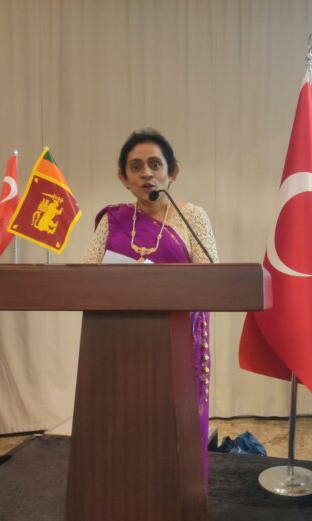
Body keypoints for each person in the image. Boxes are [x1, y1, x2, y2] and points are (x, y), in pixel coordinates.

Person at [82, 128, 219, 480]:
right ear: (123, 178)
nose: (147, 173)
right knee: (125, 428)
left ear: (172, 172)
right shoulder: (113, 220)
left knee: (174, 432)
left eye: (155, 164)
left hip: (179, 345)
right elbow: (87, 277)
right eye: (136, 166)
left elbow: (214, 279)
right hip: (121, 345)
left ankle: (179, 493)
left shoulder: (193, 217)